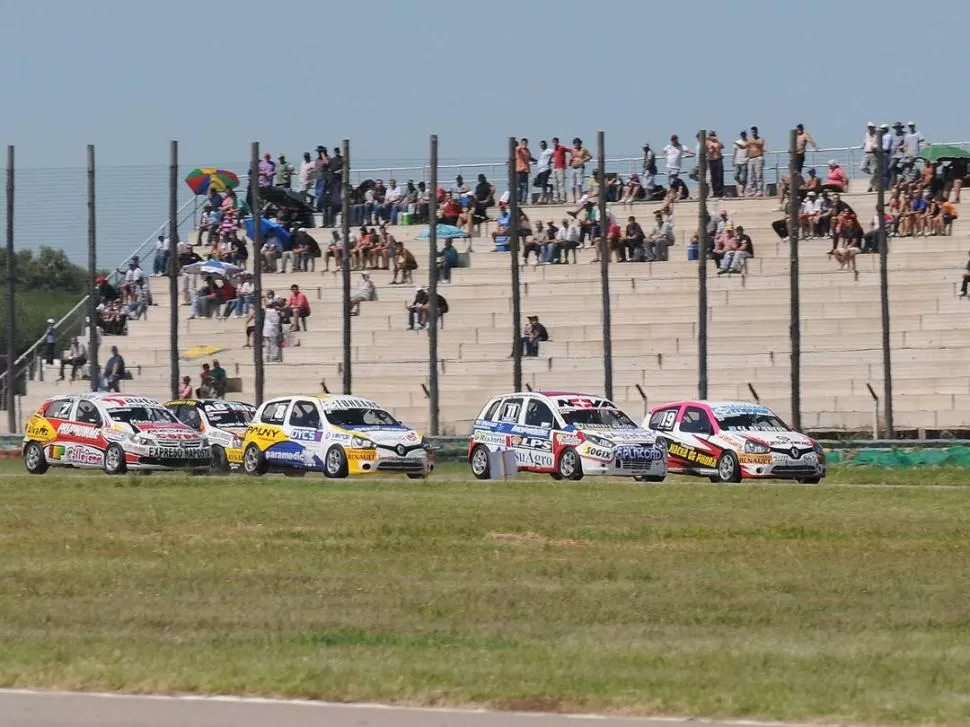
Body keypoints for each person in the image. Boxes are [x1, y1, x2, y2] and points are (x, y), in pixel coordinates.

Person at [746, 126, 766, 196]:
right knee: (751, 176)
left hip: (758, 158)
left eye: (754, 131)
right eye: (752, 132)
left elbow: (760, 144)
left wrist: (752, 142)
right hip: (751, 159)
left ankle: (760, 190)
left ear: (757, 132)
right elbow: (745, 146)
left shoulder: (760, 139)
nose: (753, 133)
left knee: (758, 175)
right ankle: (752, 191)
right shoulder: (750, 140)